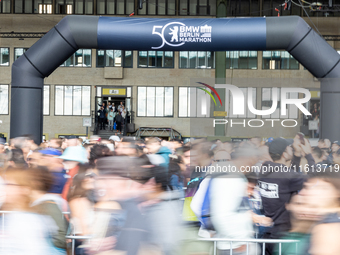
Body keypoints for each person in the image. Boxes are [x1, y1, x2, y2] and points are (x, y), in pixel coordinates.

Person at [259, 136, 314, 255]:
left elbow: (288, 175)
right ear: (284, 154)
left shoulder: (264, 169)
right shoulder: (286, 175)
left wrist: (297, 156)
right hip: (282, 234)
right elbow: (313, 178)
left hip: (268, 232)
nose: (292, 149)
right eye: (289, 148)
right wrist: (308, 155)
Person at [1, 168, 64, 254]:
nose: (5, 189)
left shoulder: (30, 220)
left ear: (24, 189)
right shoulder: (8, 217)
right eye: (4, 184)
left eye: (10, 184)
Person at [28, 167, 69, 254]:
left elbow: (60, 234)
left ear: (34, 183)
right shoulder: (40, 203)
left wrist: (46, 246)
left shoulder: (49, 204)